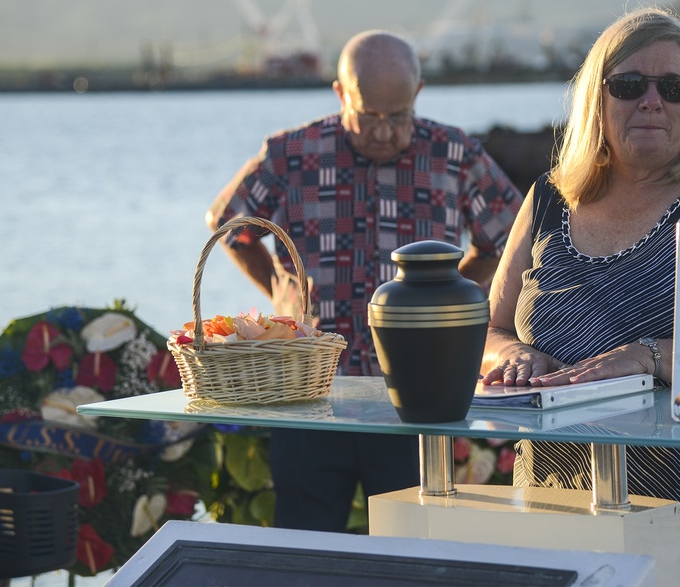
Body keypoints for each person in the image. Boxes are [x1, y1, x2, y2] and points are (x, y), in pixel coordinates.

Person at [481, 7, 680, 584]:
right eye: (628, 85)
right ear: (596, 101)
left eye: (674, 87)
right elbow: (490, 328)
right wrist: (511, 355)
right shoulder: (548, 199)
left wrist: (650, 357)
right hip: (563, 516)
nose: (652, 101)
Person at [208, 30, 522, 532]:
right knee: (306, 551)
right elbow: (230, 228)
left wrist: (447, 302)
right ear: (340, 94)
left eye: (397, 117)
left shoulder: (454, 153)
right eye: (368, 116)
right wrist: (285, 299)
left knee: (414, 547)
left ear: (417, 94)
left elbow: (509, 237)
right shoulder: (292, 153)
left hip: (414, 399)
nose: (383, 132)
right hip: (309, 394)